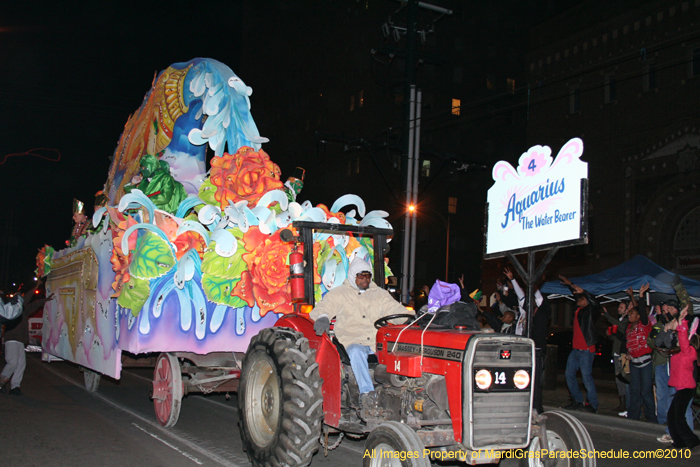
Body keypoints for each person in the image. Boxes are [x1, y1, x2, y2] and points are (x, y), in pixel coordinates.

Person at [310, 257, 409, 416]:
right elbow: (326, 306)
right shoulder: (340, 294)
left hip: (375, 341)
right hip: (352, 338)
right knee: (356, 351)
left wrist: (414, 317)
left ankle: (400, 394)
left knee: (400, 351)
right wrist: (323, 316)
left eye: (368, 276)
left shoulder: (379, 294)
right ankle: (367, 395)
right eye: (361, 276)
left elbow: (394, 309)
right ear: (353, 276)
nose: (365, 279)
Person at [1, 278, 52, 395]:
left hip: (20, 341)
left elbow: (34, 304)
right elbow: (27, 299)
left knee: (20, 365)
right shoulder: (12, 310)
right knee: (12, 363)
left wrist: (45, 300)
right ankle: (1, 382)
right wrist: (35, 287)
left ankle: (15, 387)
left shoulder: (22, 312)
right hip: (12, 340)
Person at [559, 275, 601, 413]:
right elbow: (576, 294)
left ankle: (592, 404)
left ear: (586, 301)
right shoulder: (578, 310)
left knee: (586, 377)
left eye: (581, 298)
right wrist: (570, 284)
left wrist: (584, 292)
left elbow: (595, 303)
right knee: (569, 374)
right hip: (576, 349)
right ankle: (577, 401)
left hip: (586, 349)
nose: (578, 300)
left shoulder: (590, 310)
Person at [663, 306, 699, 450]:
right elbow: (666, 341)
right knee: (672, 417)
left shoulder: (689, 351)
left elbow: (683, 339)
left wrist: (682, 324)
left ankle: (692, 441)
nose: (678, 339)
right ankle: (679, 442)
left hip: (686, 388)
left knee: (678, 417)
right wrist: (670, 322)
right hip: (680, 388)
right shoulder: (677, 352)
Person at [622, 283, 657, 423]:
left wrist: (641, 296)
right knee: (634, 391)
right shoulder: (629, 327)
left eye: (632, 314)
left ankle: (652, 419)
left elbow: (641, 310)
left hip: (645, 363)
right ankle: (633, 418)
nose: (629, 315)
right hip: (635, 364)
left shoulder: (644, 323)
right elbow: (630, 343)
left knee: (646, 392)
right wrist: (630, 353)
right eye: (629, 314)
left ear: (639, 316)